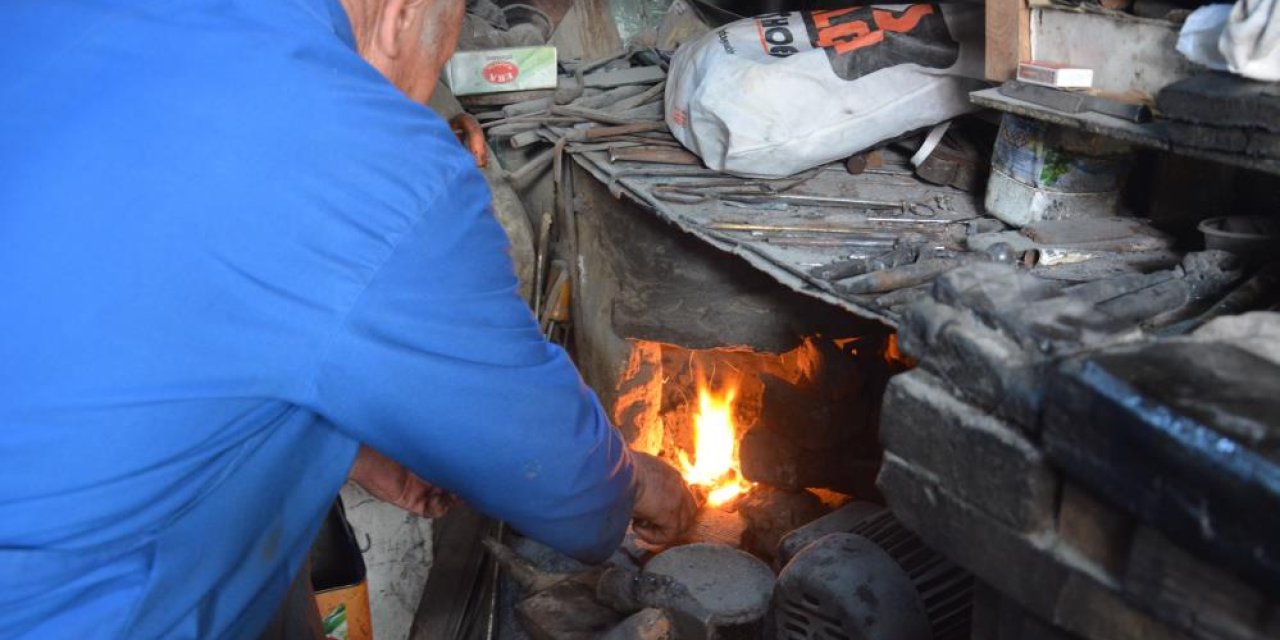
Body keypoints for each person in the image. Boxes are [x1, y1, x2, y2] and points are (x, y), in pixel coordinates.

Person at [0, 0, 697, 637]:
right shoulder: (363, 154)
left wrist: (351, 449)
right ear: (400, 14)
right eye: (428, 74)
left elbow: (139, 319)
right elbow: (560, 480)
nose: (417, 104)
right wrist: (636, 483)